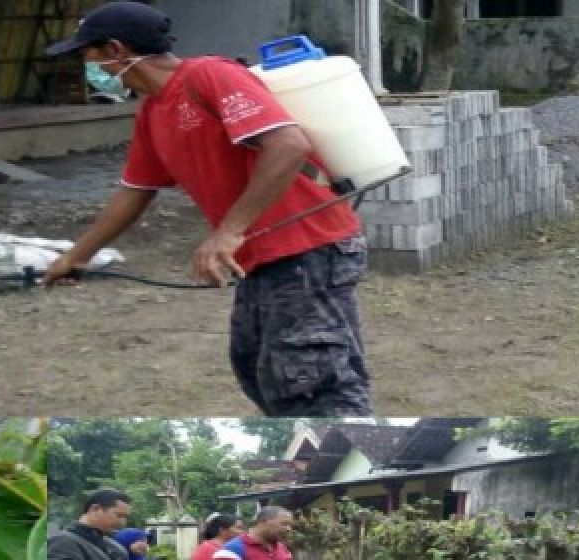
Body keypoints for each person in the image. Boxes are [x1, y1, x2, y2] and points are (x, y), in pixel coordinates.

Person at [43, 2, 371, 416]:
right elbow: (135, 191)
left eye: (87, 53)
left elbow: (288, 145)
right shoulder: (153, 110)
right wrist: (76, 257)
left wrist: (228, 232)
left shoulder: (208, 75)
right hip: (263, 257)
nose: (88, 65)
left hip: (308, 245)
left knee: (310, 381)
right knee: (256, 369)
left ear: (116, 49)